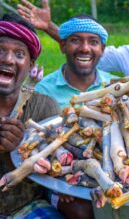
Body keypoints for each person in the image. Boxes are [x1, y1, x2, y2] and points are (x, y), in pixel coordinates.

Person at [0, 12, 64, 218]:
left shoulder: (45, 108)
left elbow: (51, 175)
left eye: (19, 54)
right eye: (0, 50)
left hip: (25, 207)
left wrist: (15, 153)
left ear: (31, 65)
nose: (8, 59)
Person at [35, 14, 116, 109]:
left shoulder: (116, 87)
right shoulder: (42, 91)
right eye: (76, 40)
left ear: (102, 49)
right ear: (63, 46)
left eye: (93, 42)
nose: (85, 49)